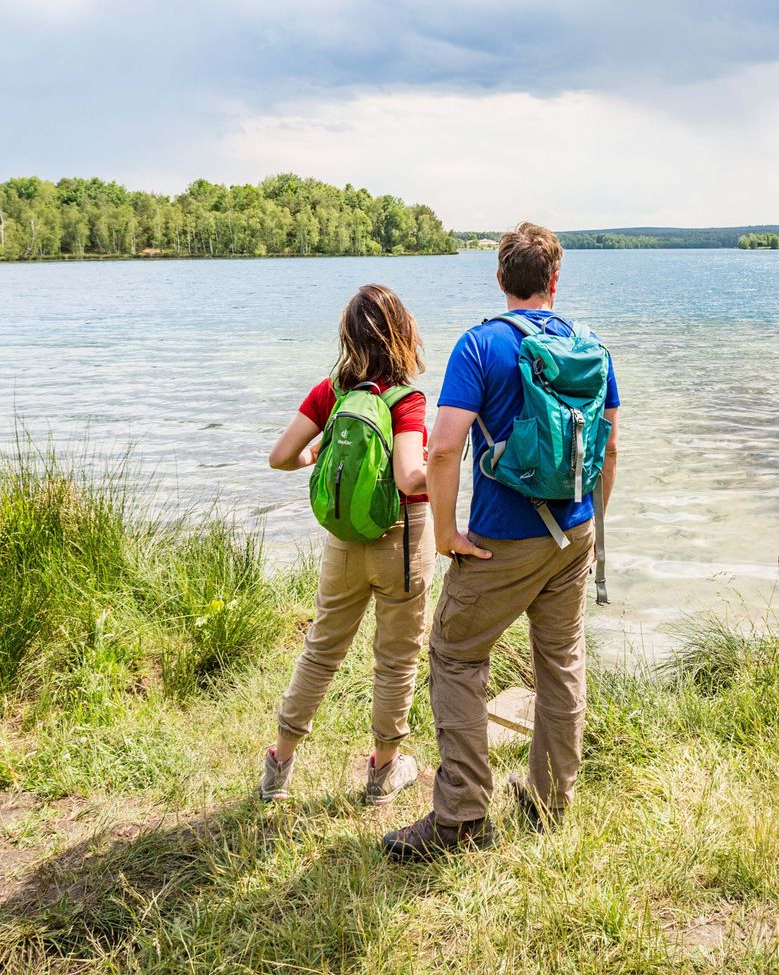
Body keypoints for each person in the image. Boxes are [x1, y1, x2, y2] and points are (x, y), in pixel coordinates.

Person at [383, 223, 620, 860]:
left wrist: (446, 533)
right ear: (555, 279)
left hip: (500, 543)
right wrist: (590, 529)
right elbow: (611, 447)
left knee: (456, 656)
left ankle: (461, 817)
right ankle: (549, 800)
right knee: (562, 660)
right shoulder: (589, 346)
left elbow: (448, 447)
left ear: (499, 279)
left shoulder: (480, 346)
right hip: (573, 533)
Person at [260, 283, 434, 806]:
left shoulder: (331, 392)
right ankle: (383, 771)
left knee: (321, 650)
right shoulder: (407, 398)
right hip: (401, 543)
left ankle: (279, 765)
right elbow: (409, 478)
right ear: (403, 334)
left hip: (342, 542)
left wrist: (314, 457)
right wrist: (446, 465)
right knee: (397, 657)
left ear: (348, 337)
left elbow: (280, 457)